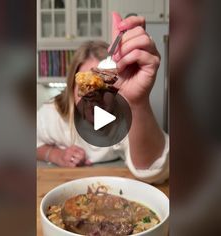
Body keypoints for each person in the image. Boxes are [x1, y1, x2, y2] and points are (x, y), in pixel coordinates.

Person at [37, 12, 169, 183]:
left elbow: (153, 168)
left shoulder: (124, 117)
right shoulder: (52, 115)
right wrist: (56, 154)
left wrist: (138, 103)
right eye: (85, 88)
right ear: (71, 90)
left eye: (105, 88)